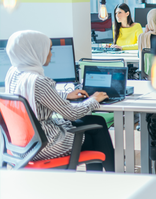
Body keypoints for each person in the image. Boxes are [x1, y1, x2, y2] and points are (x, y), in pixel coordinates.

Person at [5, 30, 115, 172]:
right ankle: (113, 175)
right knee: (95, 135)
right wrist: (93, 100)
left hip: (21, 144)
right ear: (35, 51)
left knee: (96, 121)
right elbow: (72, 114)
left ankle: (101, 179)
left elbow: (35, 97)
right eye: (49, 49)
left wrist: (66, 95)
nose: (51, 53)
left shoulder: (14, 73)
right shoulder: (39, 81)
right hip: (45, 144)